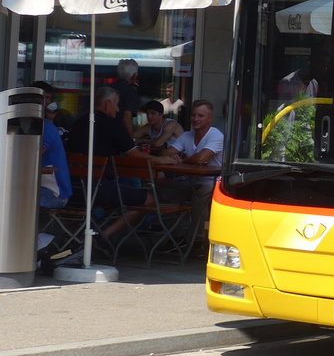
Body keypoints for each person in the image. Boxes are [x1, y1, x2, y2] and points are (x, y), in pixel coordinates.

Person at [63, 85, 156, 242]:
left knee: (120, 190)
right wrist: (163, 160)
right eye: (117, 104)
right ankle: (105, 236)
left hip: (73, 190)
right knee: (149, 199)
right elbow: (134, 155)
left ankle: (88, 235)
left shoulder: (78, 123)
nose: (118, 109)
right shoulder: (112, 125)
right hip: (98, 190)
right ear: (107, 104)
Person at [157, 99, 224, 238]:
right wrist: (174, 157)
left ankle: (198, 240)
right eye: (193, 115)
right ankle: (173, 237)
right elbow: (165, 153)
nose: (195, 119)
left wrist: (180, 159)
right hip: (189, 181)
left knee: (200, 196)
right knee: (161, 192)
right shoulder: (187, 135)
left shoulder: (216, 135)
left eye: (200, 116)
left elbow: (201, 158)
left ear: (209, 119)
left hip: (212, 183)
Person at [33, 81, 72, 210]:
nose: (48, 103)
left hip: (54, 193)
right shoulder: (42, 125)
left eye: (49, 98)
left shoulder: (47, 128)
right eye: (45, 98)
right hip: (40, 186)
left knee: (16, 198)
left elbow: (34, 156)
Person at [113, 58, 141, 136]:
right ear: (134, 75)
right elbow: (127, 117)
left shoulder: (109, 88)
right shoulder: (130, 92)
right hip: (120, 134)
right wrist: (130, 138)